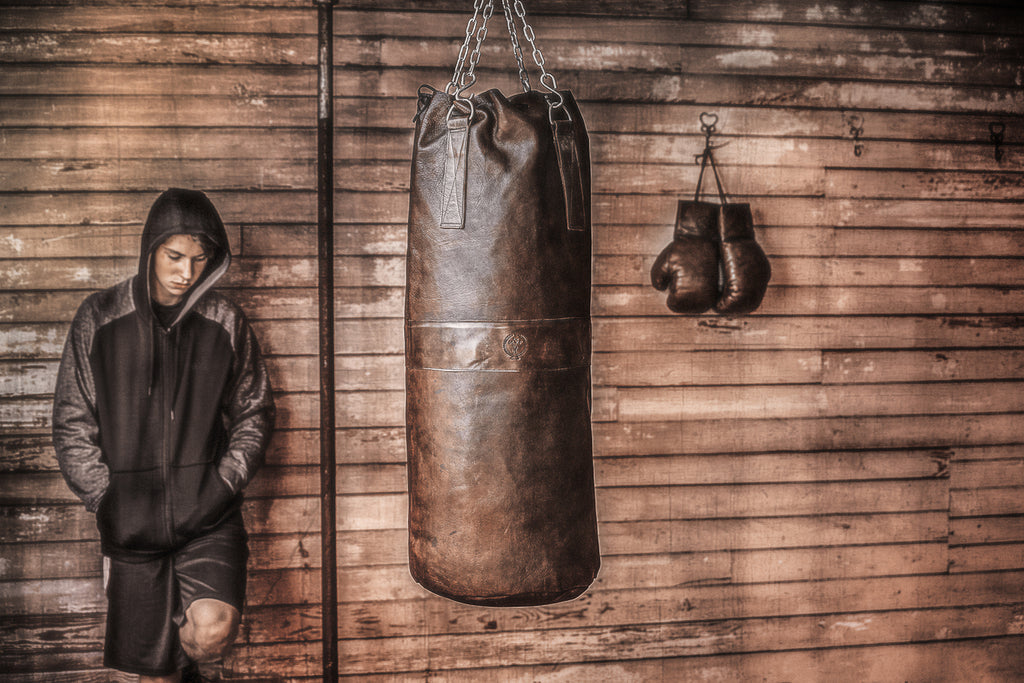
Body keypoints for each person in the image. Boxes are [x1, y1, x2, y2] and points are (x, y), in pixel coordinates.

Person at [52, 188, 275, 682]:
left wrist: (220, 486)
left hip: (208, 515)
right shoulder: (99, 317)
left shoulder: (225, 323)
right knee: (154, 676)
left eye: (200, 260)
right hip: (132, 527)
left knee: (212, 632)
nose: (186, 273)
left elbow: (254, 412)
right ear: (149, 248)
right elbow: (72, 421)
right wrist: (107, 498)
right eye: (174, 256)